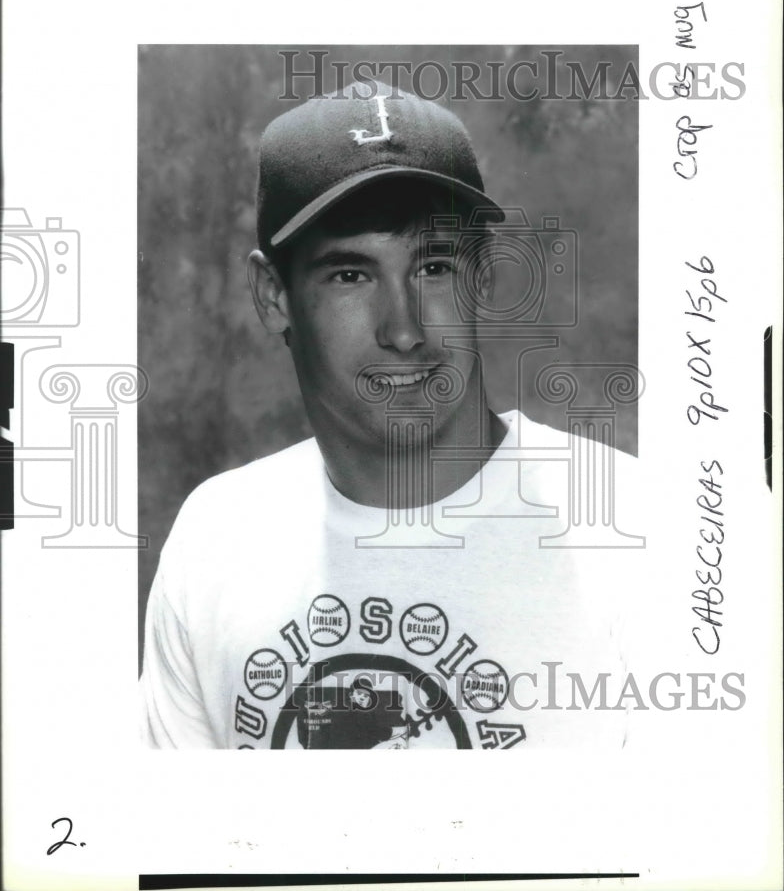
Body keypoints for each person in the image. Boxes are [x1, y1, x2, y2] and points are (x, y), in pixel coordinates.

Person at [140, 81, 642, 750]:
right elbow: (187, 847)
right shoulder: (215, 541)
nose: (404, 330)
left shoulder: (636, 531)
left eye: (434, 267)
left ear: (483, 276)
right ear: (273, 296)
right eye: (350, 275)